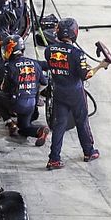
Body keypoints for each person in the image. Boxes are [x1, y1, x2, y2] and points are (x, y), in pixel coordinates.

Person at [43, 18, 99, 169]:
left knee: (59, 125)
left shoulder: (49, 50)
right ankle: (89, 151)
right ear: (75, 33)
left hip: (59, 92)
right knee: (82, 121)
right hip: (75, 93)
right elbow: (85, 74)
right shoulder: (77, 53)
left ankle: (54, 159)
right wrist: (100, 66)